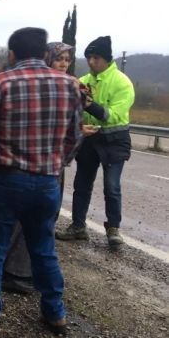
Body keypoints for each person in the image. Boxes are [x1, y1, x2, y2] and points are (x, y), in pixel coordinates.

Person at [0, 28, 83, 338]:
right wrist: (55, 163)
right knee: (44, 250)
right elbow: (75, 137)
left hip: (4, 181)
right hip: (46, 182)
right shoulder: (70, 86)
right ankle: (55, 314)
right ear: (43, 52)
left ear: (11, 54)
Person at [1, 42, 77, 295]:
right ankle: (18, 272)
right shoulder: (56, 87)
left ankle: (20, 270)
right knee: (33, 222)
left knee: (40, 220)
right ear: (47, 59)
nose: (64, 63)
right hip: (43, 167)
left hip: (51, 164)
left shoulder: (69, 85)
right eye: (59, 59)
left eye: (67, 59)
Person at [56, 36, 135, 247]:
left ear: (107, 59)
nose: (91, 62)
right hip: (89, 140)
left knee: (112, 186)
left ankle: (113, 230)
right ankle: (78, 226)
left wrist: (90, 105)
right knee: (81, 184)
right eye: (88, 57)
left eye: (96, 57)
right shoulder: (83, 81)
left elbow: (114, 115)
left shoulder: (122, 82)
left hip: (115, 141)